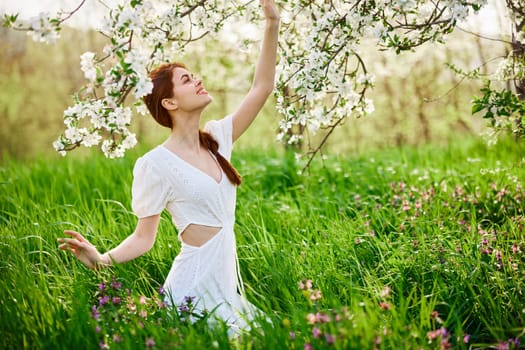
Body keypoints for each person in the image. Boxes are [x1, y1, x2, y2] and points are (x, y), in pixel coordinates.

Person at [57, 0, 279, 333]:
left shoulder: (218, 139)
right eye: (187, 80)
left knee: (272, 332)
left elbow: (262, 87)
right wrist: (102, 260)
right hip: (192, 293)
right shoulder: (155, 164)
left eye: (194, 75)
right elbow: (144, 238)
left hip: (227, 292)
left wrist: (271, 24)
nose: (198, 80)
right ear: (170, 102)